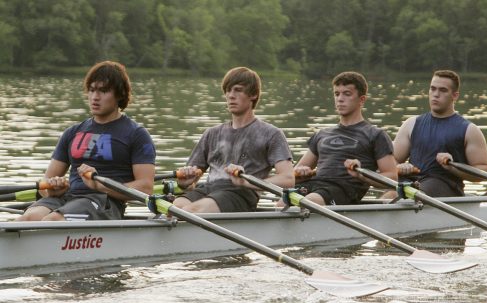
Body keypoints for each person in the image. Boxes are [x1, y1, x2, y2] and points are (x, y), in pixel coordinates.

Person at [17, 61, 156, 221]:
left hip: (104, 203)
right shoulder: (72, 132)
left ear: (120, 94)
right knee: (27, 219)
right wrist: (52, 190)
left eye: (103, 91)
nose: (95, 97)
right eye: (91, 90)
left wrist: (99, 186)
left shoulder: (136, 134)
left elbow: (146, 188)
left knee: (52, 221)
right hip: (67, 198)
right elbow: (45, 183)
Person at [173, 66, 294, 213]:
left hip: (240, 193)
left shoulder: (271, 134)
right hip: (208, 189)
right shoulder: (211, 133)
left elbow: (288, 179)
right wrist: (184, 183)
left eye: (238, 90)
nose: (231, 95)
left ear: (254, 95)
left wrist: (246, 181)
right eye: (228, 91)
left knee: (191, 211)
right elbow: (189, 184)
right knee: (173, 209)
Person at [290, 71, 397, 206]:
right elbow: (292, 176)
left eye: (347, 94)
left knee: (308, 202)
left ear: (361, 100)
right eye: (336, 94)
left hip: (343, 190)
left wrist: (361, 175)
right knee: (283, 203)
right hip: (313, 185)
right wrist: (300, 174)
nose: (340, 99)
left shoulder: (375, 135)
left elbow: (392, 177)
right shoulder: (322, 134)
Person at [388, 70, 487, 198]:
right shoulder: (411, 124)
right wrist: (399, 167)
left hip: (444, 185)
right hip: (410, 183)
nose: (436, 94)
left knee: (400, 196)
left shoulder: (469, 130)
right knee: (389, 195)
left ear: (455, 95)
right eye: (433, 89)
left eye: (443, 90)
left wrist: (453, 168)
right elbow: (391, 161)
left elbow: (485, 170)